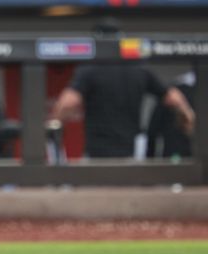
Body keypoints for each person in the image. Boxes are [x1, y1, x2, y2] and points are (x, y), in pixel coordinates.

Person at [51, 22, 194, 159]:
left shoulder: (90, 69)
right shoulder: (139, 68)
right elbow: (173, 98)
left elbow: (69, 102)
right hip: (132, 151)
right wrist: (187, 115)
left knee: (98, 183)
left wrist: (54, 123)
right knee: (131, 182)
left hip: (98, 152)